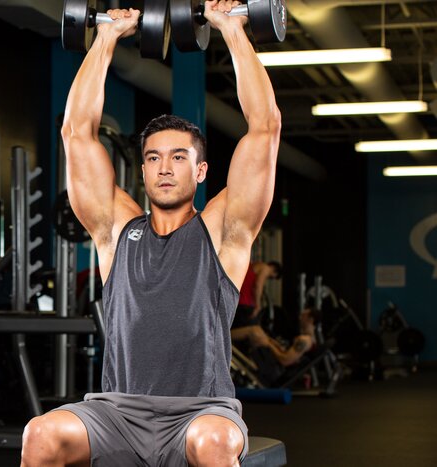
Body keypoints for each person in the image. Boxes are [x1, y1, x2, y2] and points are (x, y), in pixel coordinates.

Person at [21, 2, 281, 466]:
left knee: (215, 444)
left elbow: (264, 129)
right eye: (155, 158)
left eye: (179, 157)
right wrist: (105, 36)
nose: (165, 167)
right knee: (40, 434)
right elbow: (76, 132)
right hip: (117, 411)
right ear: (142, 170)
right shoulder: (116, 228)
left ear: (201, 171)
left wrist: (232, 28)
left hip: (200, 413)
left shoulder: (223, 232)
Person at [233, 307, 321, 368]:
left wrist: (268, 344)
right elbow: (284, 351)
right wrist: (270, 341)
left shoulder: (305, 341)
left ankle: (222, 337)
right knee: (257, 330)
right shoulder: (307, 339)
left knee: (253, 331)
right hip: (275, 363)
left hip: (276, 368)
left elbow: (285, 360)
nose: (300, 317)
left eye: (303, 315)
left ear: (311, 319)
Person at [232, 260, 281, 329]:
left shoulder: (256, 265)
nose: (270, 278)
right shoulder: (266, 268)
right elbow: (258, 285)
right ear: (275, 271)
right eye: (273, 277)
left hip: (238, 299)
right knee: (248, 329)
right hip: (246, 303)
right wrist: (258, 305)